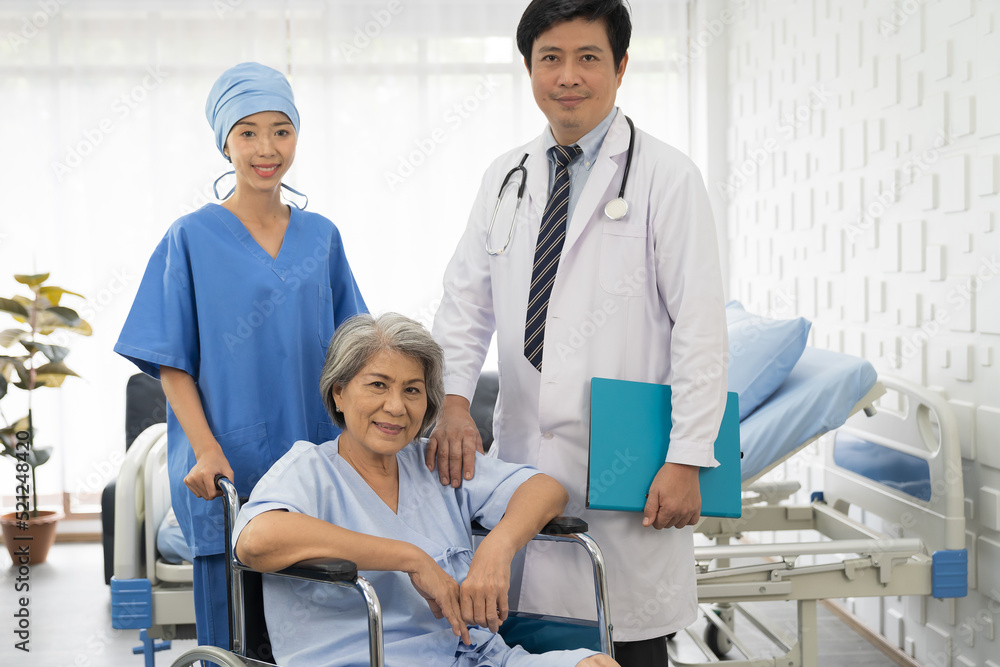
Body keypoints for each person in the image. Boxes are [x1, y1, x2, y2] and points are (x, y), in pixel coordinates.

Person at [427, 1, 728, 665]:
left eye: (588, 57)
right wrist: (451, 398)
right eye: (550, 58)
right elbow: (463, 302)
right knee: (523, 644)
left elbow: (701, 328)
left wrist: (688, 457)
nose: (568, 75)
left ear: (620, 67)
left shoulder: (667, 178)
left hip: (625, 476)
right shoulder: (506, 177)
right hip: (521, 460)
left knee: (625, 644)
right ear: (530, 67)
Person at [114, 61, 367, 652]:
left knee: (321, 631)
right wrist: (205, 448)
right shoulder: (191, 237)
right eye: (248, 131)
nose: (266, 148)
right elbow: (171, 359)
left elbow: (355, 347)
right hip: (225, 462)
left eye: (281, 130)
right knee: (236, 637)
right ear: (224, 141)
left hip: (313, 454)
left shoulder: (321, 236)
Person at [233, 313, 619, 667]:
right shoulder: (309, 470)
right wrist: (410, 558)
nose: (396, 407)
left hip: (477, 655)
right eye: (378, 385)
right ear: (339, 393)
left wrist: (498, 547)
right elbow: (256, 541)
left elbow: (545, 489)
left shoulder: (435, 462)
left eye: (412, 390)